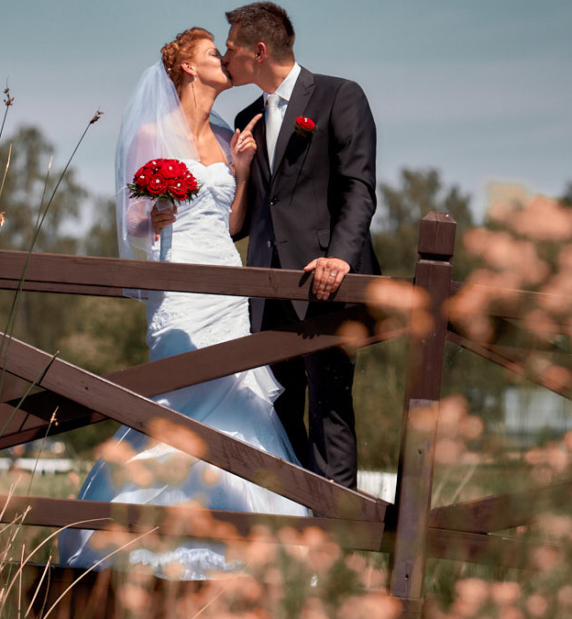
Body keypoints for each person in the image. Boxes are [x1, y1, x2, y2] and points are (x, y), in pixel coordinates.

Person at [57, 27, 310, 580]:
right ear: (190, 69)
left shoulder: (224, 135)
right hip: (179, 283)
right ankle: (152, 546)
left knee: (237, 395)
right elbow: (132, 221)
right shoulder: (153, 132)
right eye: (214, 54)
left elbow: (234, 223)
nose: (225, 60)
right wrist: (157, 216)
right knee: (179, 397)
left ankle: (250, 550)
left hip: (224, 276)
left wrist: (241, 173)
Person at [222, 2, 380, 490]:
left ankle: (335, 542)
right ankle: (290, 536)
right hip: (268, 290)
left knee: (330, 409)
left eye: (232, 50)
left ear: (260, 51)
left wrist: (341, 258)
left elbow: (359, 187)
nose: (226, 60)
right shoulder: (246, 116)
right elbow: (249, 220)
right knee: (277, 412)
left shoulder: (339, 96)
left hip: (326, 283)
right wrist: (240, 174)